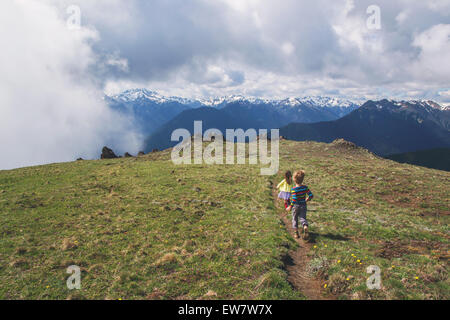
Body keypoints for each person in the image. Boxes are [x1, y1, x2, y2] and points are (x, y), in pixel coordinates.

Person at [286, 170, 314, 239]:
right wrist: (307, 200)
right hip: (303, 205)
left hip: (296, 206)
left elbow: (294, 199)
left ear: (294, 180)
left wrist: (290, 206)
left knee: (294, 219)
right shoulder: (305, 187)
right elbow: (311, 195)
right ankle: (305, 226)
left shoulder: (294, 189)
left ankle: (296, 233)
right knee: (303, 218)